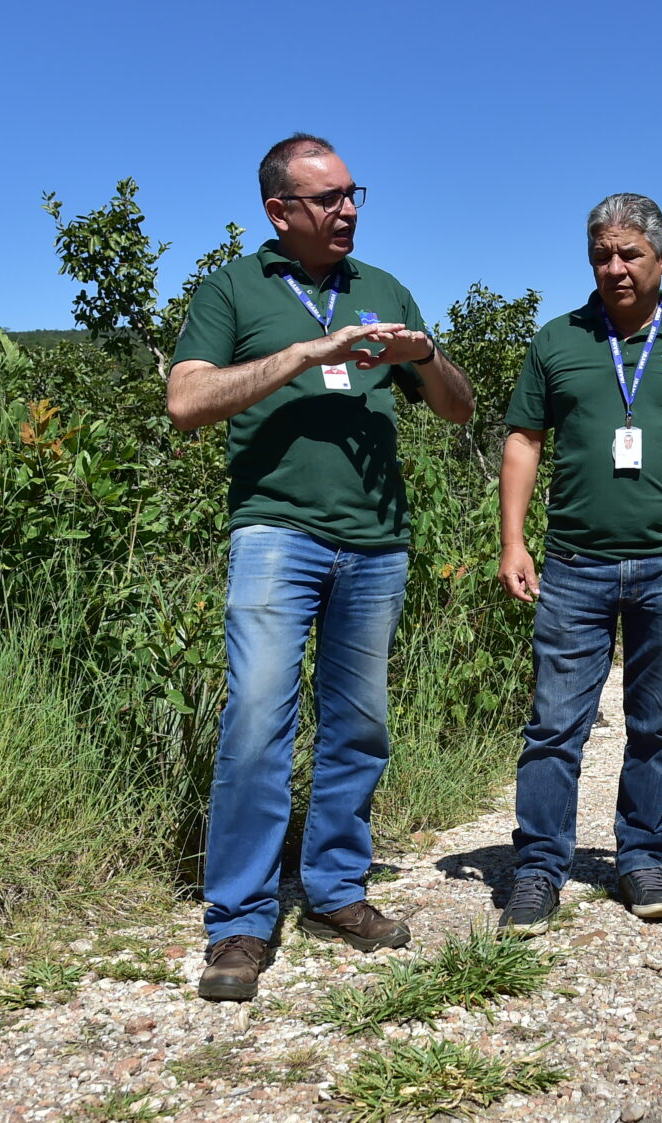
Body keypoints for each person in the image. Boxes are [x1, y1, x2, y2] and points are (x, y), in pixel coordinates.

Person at [167, 133, 475, 1002]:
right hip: (276, 534)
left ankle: (337, 890)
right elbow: (187, 400)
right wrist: (303, 354)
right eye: (327, 198)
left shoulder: (383, 288)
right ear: (280, 211)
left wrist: (425, 358)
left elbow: (459, 410)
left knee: (359, 723)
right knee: (258, 719)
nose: (346, 210)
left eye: (352, 195)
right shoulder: (233, 287)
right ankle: (240, 919)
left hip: (377, 540)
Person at [495, 193, 662, 934]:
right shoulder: (558, 340)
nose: (614, 267)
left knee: (656, 722)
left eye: (629, 253)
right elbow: (524, 440)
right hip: (575, 562)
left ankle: (640, 855)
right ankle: (540, 867)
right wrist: (513, 541)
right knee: (554, 723)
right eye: (602, 255)